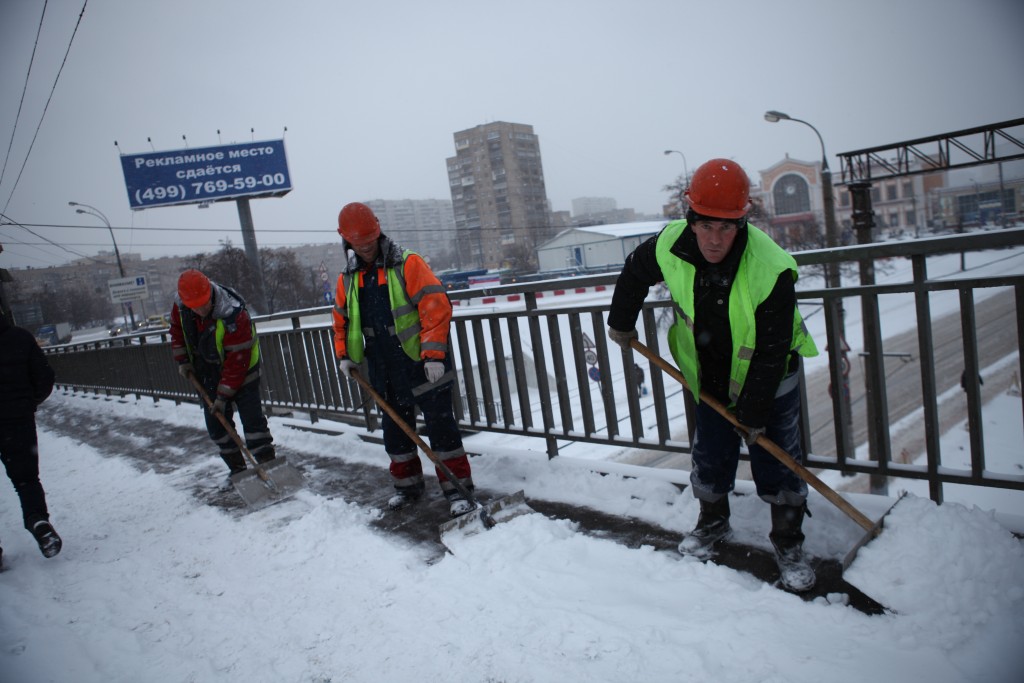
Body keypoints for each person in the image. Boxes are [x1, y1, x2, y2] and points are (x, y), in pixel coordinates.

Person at [606, 158, 820, 592]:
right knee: (711, 454)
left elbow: (772, 348)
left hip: (770, 375)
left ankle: (788, 543)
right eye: (706, 227)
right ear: (692, 220)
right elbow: (634, 273)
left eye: (726, 228)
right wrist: (622, 322)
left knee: (777, 460)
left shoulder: (771, 267)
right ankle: (712, 523)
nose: (715, 239)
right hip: (709, 372)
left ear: (741, 222)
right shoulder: (670, 244)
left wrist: (755, 412)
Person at [331, 202, 474, 518]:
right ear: (346, 239)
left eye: (370, 238)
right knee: (395, 430)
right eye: (359, 241)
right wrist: (345, 355)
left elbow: (436, 308)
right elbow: (341, 321)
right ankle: (407, 488)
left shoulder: (407, 263)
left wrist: (434, 354)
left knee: (441, 427)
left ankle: (458, 492)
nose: (366, 246)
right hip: (382, 366)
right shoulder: (348, 279)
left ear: (378, 229)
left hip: (422, 362)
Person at [169, 270, 276, 483]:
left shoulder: (233, 313)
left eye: (203, 304)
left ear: (210, 293)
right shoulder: (181, 306)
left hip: (243, 370)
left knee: (253, 421)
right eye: (195, 306)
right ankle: (238, 469)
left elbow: (237, 364)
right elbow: (177, 333)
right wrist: (183, 361)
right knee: (217, 426)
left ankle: (268, 464)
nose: (200, 310)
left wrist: (222, 397)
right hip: (206, 372)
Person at [0, 308, 62, 566]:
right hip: (17, 421)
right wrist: (28, 403)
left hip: (18, 415)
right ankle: (38, 521)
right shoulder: (20, 338)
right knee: (26, 480)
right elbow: (45, 377)